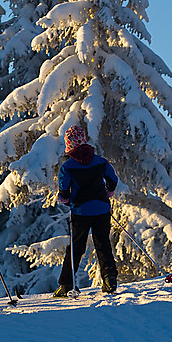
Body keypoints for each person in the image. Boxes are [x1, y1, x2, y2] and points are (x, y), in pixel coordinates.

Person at [54, 125, 119, 296]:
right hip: (102, 208)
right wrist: (109, 192)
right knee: (103, 243)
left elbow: (63, 189)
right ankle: (110, 278)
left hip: (81, 211)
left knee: (76, 247)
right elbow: (112, 179)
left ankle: (66, 284)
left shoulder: (68, 166)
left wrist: (66, 199)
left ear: (68, 144)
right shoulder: (100, 161)